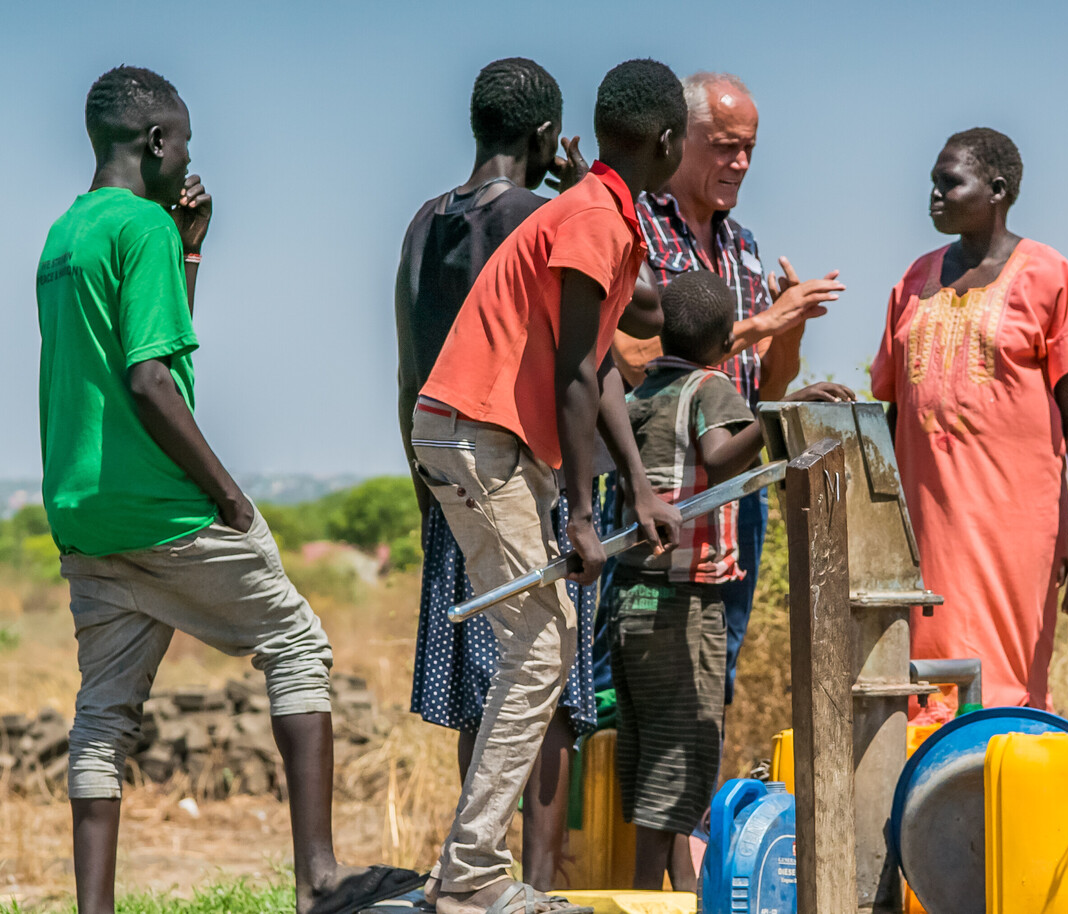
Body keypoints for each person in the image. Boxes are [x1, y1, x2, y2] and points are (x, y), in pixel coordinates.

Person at [37, 66, 421, 914]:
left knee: (103, 715)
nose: (187, 159)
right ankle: (318, 877)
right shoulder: (139, 225)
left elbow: (156, 345)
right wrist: (229, 496)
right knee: (297, 645)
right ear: (158, 141)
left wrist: (191, 250)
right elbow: (149, 381)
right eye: (184, 143)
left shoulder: (66, 235)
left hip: (84, 514)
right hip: (162, 506)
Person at [410, 58, 686, 914]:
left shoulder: (597, 211)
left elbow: (596, 363)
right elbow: (571, 372)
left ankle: (467, 867)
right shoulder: (593, 217)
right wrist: (581, 513)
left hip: (480, 436)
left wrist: (637, 487)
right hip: (477, 434)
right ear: (667, 142)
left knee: (543, 642)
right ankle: (469, 874)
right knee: (538, 646)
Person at [393, 57, 600, 896]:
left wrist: (423, 491)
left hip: (442, 466)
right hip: (511, 465)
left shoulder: (423, 222)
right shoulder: (541, 217)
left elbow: (408, 371)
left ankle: (474, 866)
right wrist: (583, 198)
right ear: (545, 136)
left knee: (476, 683)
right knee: (544, 668)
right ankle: (514, 880)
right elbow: (587, 354)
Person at [607, 270, 852, 890]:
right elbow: (718, 460)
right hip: (685, 603)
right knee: (685, 752)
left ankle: (674, 888)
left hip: (631, 596)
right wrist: (781, 414)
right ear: (726, 344)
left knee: (648, 747)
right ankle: (655, 897)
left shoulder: (639, 393)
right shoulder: (710, 387)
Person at [613, 71, 845, 712]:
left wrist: (788, 328)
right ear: (678, 139)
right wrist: (763, 323)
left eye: (748, 148)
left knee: (716, 667)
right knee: (630, 670)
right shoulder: (636, 226)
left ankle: (691, 781)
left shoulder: (741, 245)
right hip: (657, 488)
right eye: (724, 146)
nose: (740, 163)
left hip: (734, 491)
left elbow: (768, 384)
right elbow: (633, 357)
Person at [871, 128, 1068, 717]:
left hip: (1016, 523)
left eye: (949, 183)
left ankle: (1000, 767)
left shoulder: (1048, 274)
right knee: (927, 677)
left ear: (997, 190)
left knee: (1005, 680)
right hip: (926, 524)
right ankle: (934, 773)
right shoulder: (913, 281)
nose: (934, 195)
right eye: (933, 182)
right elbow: (894, 409)